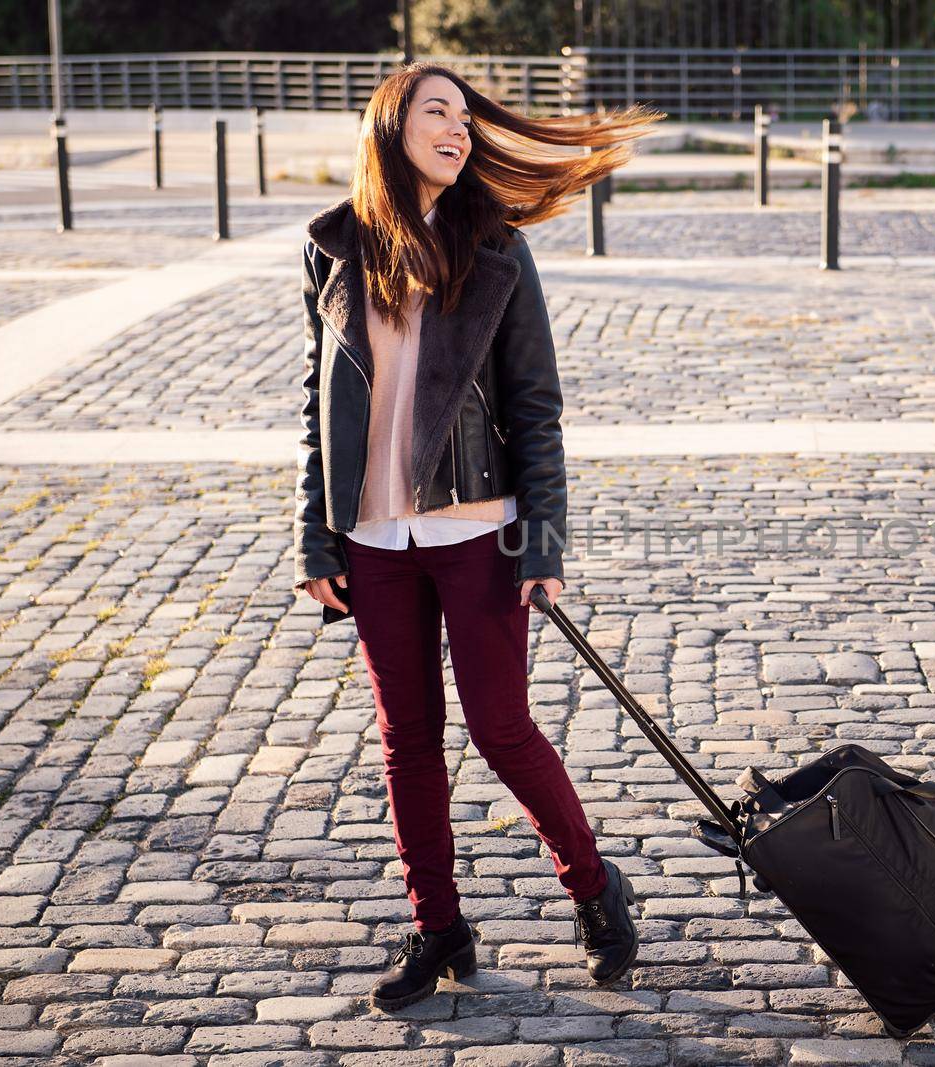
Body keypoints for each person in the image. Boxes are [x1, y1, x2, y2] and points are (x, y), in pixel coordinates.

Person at [291, 61, 663, 1011]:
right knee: (406, 740)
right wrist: (315, 539)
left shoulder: (494, 244)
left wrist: (545, 543)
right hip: (371, 536)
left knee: (501, 728)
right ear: (393, 127)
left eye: (465, 117)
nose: (458, 130)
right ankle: (438, 924)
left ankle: (593, 886)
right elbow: (316, 407)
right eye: (438, 114)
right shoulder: (334, 246)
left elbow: (537, 405)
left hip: (476, 529)